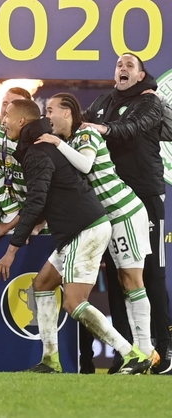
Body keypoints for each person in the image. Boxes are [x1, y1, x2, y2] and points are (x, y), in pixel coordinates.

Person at [0, 99, 152, 375]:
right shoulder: (41, 146)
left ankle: (134, 354)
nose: (2, 121)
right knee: (42, 284)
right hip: (77, 229)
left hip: (88, 227)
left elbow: (37, 202)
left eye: (6, 115)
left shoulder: (41, 149)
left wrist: (11, 250)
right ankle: (50, 360)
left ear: (21, 121)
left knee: (74, 302)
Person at [35, 92, 154, 370]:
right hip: (99, 220)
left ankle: (146, 352)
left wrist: (56, 143)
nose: (47, 116)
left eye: (51, 110)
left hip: (123, 212)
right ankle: (52, 360)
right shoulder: (70, 141)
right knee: (121, 282)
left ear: (67, 112)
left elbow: (86, 164)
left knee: (131, 281)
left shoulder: (86, 135)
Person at [83, 53, 171, 374]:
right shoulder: (103, 102)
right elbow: (80, 123)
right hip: (111, 201)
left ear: (140, 75)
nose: (122, 68)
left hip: (145, 196)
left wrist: (102, 128)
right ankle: (126, 353)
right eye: (119, 64)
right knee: (115, 276)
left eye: (129, 65)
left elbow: (133, 127)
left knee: (152, 273)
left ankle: (164, 350)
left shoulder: (150, 101)